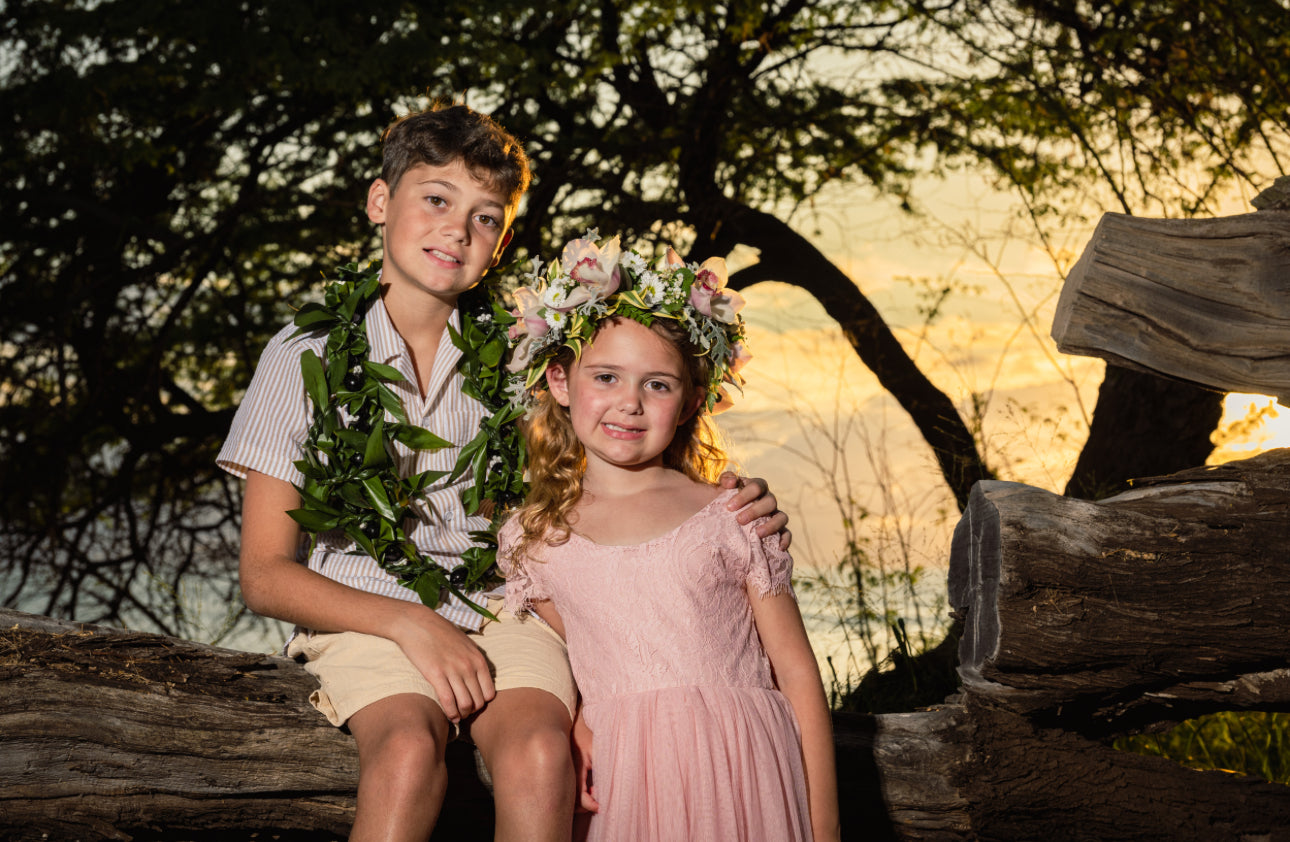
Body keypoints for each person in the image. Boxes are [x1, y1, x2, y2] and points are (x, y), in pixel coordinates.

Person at [217, 103, 789, 842]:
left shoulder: (520, 356)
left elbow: (617, 457)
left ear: (503, 239)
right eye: (435, 199)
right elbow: (264, 575)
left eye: (486, 217)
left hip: (505, 610)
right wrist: (413, 625)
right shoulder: (303, 354)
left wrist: (729, 500)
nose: (458, 229)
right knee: (407, 754)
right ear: (379, 202)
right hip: (368, 614)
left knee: (541, 752)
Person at [498, 235, 840, 842]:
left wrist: (827, 826)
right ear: (558, 380)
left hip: (744, 770)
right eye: (605, 376)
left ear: (690, 403)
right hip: (626, 782)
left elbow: (798, 673)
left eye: (657, 384)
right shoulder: (537, 540)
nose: (629, 404)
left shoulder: (732, 515)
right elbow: (570, 654)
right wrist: (575, 718)